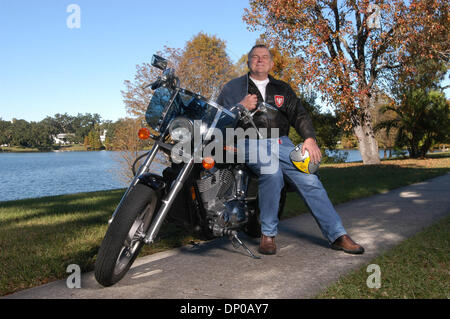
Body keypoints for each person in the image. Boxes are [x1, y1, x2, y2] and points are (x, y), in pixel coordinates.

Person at [216, 44, 364, 255]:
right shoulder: (234, 87)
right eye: (255, 57)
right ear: (248, 62)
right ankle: (267, 235)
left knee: (310, 178)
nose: (260, 60)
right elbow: (220, 116)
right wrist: (240, 106)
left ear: (271, 63)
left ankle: (338, 235)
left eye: (265, 57)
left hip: (281, 142)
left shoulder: (283, 89)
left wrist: (310, 139)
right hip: (247, 141)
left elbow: (300, 115)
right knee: (271, 171)